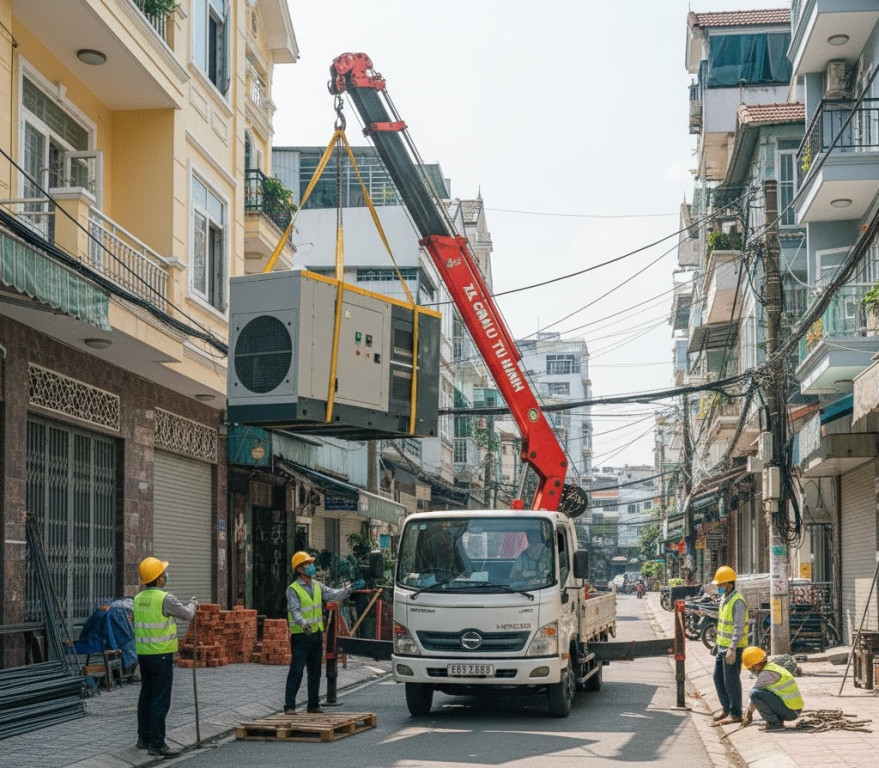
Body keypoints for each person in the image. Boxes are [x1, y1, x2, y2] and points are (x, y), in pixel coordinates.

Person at [284, 551, 365, 715]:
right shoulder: (293, 589)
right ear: (299, 569)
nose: (311, 566)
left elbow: (333, 594)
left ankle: (313, 705)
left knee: (315, 672)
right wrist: (303, 623)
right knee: (296, 671)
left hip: (315, 636)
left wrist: (349, 589)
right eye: (307, 564)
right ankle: (289, 706)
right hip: (301, 636)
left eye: (310, 563)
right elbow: (294, 610)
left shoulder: (317, 586)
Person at [133, 556, 197, 758]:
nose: (165, 576)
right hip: (161, 656)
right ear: (158, 579)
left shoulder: (138, 599)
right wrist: (193, 604)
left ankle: (143, 738)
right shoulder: (165, 598)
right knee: (160, 699)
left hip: (144, 655)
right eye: (163, 574)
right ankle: (157, 743)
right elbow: (186, 614)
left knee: (146, 696)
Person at [709, 565, 749, 727]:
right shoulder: (725, 599)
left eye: (720, 584)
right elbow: (723, 625)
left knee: (731, 680)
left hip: (734, 648)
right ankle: (726, 708)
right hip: (722, 647)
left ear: (729, 584)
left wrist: (732, 648)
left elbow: (738, 628)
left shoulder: (738, 601)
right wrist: (717, 645)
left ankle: (736, 713)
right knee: (718, 678)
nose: (718, 587)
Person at [741, 646, 804, 731]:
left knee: (754, 693)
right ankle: (777, 721)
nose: (750, 670)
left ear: (757, 665)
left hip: (791, 712)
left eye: (750, 668)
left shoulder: (767, 674)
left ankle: (775, 724)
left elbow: (755, 694)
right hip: (793, 709)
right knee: (760, 692)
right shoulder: (772, 667)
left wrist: (749, 712)